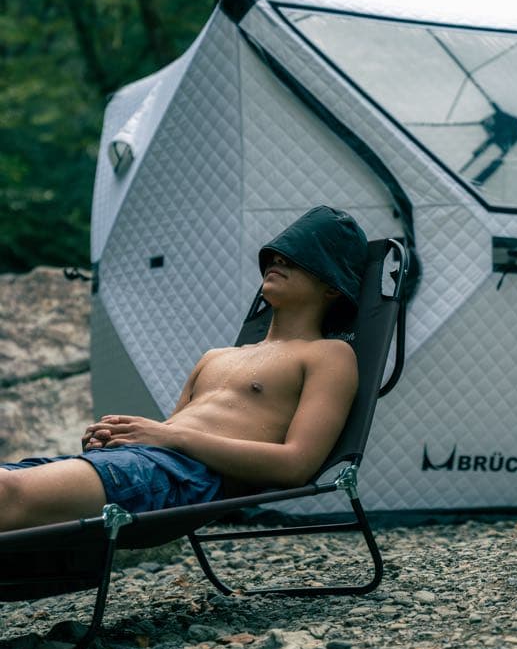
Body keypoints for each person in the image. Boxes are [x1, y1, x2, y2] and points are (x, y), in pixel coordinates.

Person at [0, 206, 368, 533]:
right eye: (275, 254)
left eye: (297, 258)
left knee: (7, 494)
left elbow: (296, 466)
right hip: (139, 464)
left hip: (184, 478)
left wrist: (167, 437)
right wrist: (120, 438)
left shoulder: (328, 355)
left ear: (332, 288)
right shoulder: (215, 356)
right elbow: (169, 433)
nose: (278, 259)